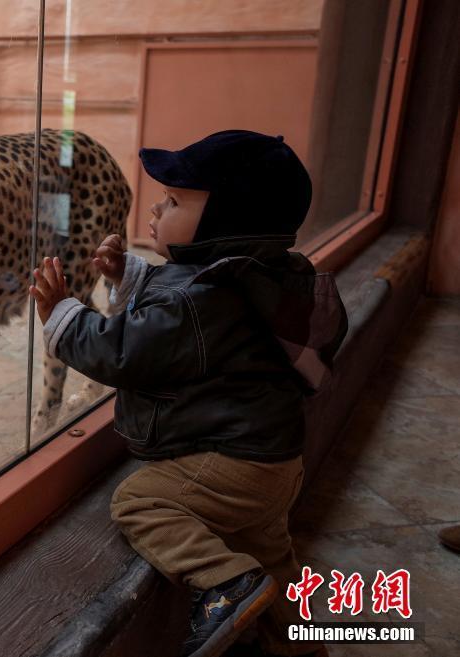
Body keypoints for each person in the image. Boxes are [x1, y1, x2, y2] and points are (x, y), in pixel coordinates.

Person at [29, 130, 348, 657]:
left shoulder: (200, 305)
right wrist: (128, 273)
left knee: (139, 500)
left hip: (231, 463)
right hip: (276, 460)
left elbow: (124, 351)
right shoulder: (262, 271)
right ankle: (299, 645)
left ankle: (226, 586)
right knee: (271, 552)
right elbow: (186, 303)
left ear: (227, 223)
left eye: (176, 201)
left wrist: (63, 313)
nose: (157, 208)